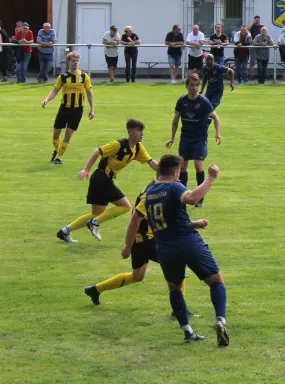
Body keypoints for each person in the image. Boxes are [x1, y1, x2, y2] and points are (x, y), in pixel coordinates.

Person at [83, 178, 203, 319]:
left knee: (137, 276)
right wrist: (127, 247)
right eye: (175, 177)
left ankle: (95, 290)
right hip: (147, 242)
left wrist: (193, 224)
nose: (178, 180)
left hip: (141, 241)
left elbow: (161, 219)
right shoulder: (152, 194)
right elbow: (136, 219)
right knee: (177, 267)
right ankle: (179, 310)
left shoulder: (156, 190)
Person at [145, 155, 229, 345]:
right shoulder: (174, 187)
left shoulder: (150, 192)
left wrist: (193, 223)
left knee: (175, 288)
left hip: (164, 247)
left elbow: (164, 222)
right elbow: (191, 198)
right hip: (187, 242)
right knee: (216, 281)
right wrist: (211, 178)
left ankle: (187, 331)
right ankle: (220, 320)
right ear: (175, 172)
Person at [57, 119, 157, 243]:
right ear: (130, 131)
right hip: (101, 178)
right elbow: (97, 151)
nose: (142, 134)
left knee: (96, 213)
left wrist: (166, 174)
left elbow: (151, 162)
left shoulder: (138, 148)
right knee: (125, 206)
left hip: (102, 179)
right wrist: (86, 169)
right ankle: (94, 223)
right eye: (139, 131)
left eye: (143, 131)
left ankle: (65, 231)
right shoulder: (118, 145)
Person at [166, 73, 222, 208]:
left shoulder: (203, 101)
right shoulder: (182, 101)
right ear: (186, 86)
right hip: (185, 137)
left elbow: (215, 117)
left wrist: (217, 133)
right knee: (183, 167)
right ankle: (183, 196)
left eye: (197, 85)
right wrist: (172, 137)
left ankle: (200, 198)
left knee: (198, 165)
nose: (195, 87)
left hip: (199, 138)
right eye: (192, 85)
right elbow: (175, 120)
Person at [42, 51, 95, 164]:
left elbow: (89, 92)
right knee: (56, 134)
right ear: (69, 62)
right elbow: (55, 90)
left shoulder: (84, 76)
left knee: (69, 133)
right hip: (64, 108)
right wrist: (47, 99)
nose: (75, 63)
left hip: (77, 109)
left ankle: (59, 157)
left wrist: (92, 109)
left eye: (77, 61)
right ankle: (57, 150)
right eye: (73, 61)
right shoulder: (63, 76)